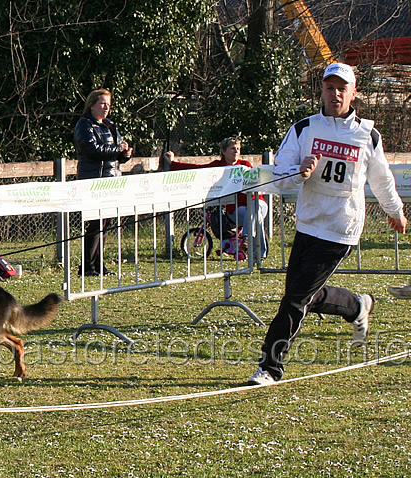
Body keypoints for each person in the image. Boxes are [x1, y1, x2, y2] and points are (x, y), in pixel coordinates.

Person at [248, 62, 407, 386]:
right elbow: (281, 173)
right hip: (308, 221)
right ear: (320, 90)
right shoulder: (304, 128)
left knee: (294, 300)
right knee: (304, 295)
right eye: (329, 87)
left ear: (353, 93)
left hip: (341, 227)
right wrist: (298, 170)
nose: (335, 94)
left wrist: (396, 212)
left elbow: (382, 180)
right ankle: (357, 305)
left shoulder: (367, 135)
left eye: (342, 88)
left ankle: (269, 367)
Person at [165, 137, 269, 258]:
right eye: (232, 148)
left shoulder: (245, 165)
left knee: (255, 207)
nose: (236, 151)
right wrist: (173, 163)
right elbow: (197, 170)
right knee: (255, 215)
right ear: (224, 151)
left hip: (258, 203)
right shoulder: (218, 166)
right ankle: (259, 252)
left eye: (238, 149)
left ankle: (246, 237)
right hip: (237, 209)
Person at [74, 88, 133, 276]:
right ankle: (87, 267)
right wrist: (117, 149)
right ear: (91, 105)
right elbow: (92, 149)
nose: (106, 107)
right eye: (102, 103)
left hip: (112, 180)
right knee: (94, 225)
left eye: (108, 104)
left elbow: (116, 154)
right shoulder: (84, 125)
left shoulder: (110, 125)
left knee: (104, 225)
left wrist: (125, 154)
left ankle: (99, 266)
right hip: (93, 180)